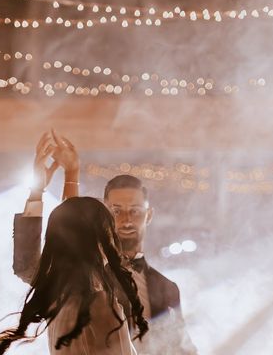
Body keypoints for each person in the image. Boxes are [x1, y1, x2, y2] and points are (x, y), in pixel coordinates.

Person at [14, 130, 197, 355]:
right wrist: (55, 183)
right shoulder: (82, 281)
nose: (126, 219)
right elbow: (71, 235)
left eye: (135, 211)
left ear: (149, 215)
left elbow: (181, 348)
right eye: (116, 211)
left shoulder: (167, 288)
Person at [0, 131, 148, 355]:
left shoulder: (60, 297)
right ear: (101, 240)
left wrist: (47, 186)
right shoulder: (100, 306)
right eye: (110, 228)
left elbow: (69, 230)